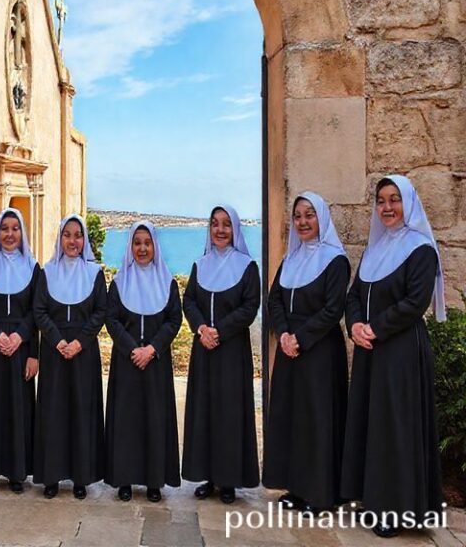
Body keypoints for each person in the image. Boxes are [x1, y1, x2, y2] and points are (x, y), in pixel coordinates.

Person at [341, 175, 445, 538]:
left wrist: (374, 328)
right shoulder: (376, 248)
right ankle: (371, 499)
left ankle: (396, 509)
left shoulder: (421, 249)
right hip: (371, 350)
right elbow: (354, 295)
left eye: (394, 200)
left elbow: (415, 303)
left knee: (395, 428)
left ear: (409, 204)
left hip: (400, 351)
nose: (387, 207)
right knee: (372, 425)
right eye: (381, 201)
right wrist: (354, 325)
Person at [263, 192, 350, 513]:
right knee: (292, 418)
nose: (302, 222)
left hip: (319, 350)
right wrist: (284, 333)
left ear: (322, 218)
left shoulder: (336, 260)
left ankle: (321, 493)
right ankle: (297, 488)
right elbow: (274, 299)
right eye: (298, 216)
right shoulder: (291, 259)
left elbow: (333, 309)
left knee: (317, 419)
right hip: (290, 348)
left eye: (309, 215)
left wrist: (300, 337)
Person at [182, 205, 260, 504]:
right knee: (205, 412)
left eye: (227, 224)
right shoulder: (200, 265)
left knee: (229, 414)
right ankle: (208, 477)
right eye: (215, 224)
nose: (220, 230)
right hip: (204, 350)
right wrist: (201, 328)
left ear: (236, 229)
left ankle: (229, 480)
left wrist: (220, 331)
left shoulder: (247, 266)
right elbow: (189, 300)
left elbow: (249, 307)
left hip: (230, 351)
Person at [104, 221, 181, 503]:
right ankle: (124, 479)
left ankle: (154, 481)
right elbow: (111, 319)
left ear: (155, 247)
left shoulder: (167, 282)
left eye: (147, 243)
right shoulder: (120, 282)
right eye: (137, 243)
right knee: (127, 421)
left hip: (156, 362)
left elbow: (174, 319)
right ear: (130, 247)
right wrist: (131, 348)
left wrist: (152, 348)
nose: (142, 248)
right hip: (126, 362)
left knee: (154, 419)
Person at [33, 214, 106, 500]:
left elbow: (101, 311)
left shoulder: (94, 273)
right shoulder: (47, 272)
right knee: (53, 413)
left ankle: (80, 477)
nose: (73, 241)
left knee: (80, 412)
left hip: (83, 352)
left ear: (84, 240)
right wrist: (57, 339)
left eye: (78, 236)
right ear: (60, 238)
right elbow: (39, 310)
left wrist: (79, 341)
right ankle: (51, 477)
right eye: (67, 235)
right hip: (54, 352)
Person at [0, 208, 40, 494]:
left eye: (15, 228)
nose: (9, 234)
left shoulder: (33, 267)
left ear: (22, 233)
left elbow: (36, 311)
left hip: (21, 346)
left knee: (19, 410)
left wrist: (28, 346)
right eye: (4, 228)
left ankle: (17, 473)